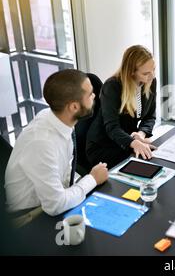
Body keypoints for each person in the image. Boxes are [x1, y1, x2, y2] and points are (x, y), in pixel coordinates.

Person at [4, 69, 109, 217]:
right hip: (29, 216)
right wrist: (92, 179)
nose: (94, 96)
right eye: (90, 94)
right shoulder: (42, 142)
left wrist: (85, 182)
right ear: (74, 107)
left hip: (51, 200)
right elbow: (55, 205)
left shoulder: (56, 118)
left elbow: (64, 174)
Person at [86, 45, 157, 168]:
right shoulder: (112, 86)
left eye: (153, 70)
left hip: (127, 140)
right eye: (146, 73)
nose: (152, 76)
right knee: (145, 165)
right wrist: (133, 142)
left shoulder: (150, 82)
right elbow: (112, 127)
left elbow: (150, 116)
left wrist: (141, 134)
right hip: (105, 146)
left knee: (153, 158)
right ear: (131, 72)